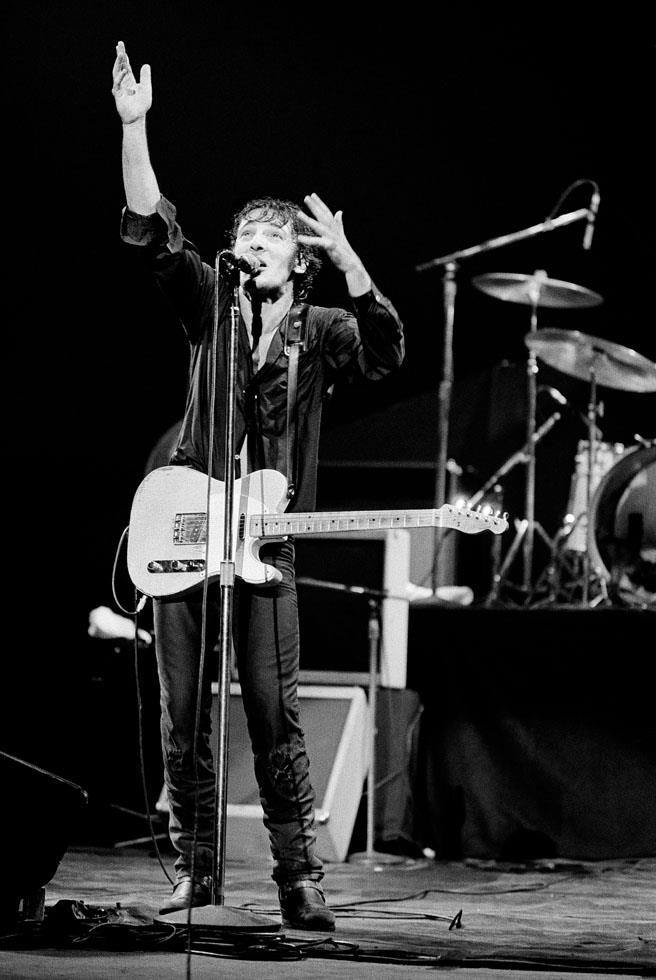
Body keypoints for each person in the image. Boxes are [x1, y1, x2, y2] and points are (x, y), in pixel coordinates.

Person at [111, 40, 405, 930]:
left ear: (299, 260)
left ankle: (296, 877)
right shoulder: (210, 303)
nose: (252, 246)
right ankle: (197, 869)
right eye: (245, 235)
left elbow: (387, 352)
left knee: (275, 711)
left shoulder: (319, 328)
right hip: (191, 532)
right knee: (183, 710)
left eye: (271, 239)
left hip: (268, 546)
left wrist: (354, 265)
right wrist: (136, 128)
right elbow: (152, 228)